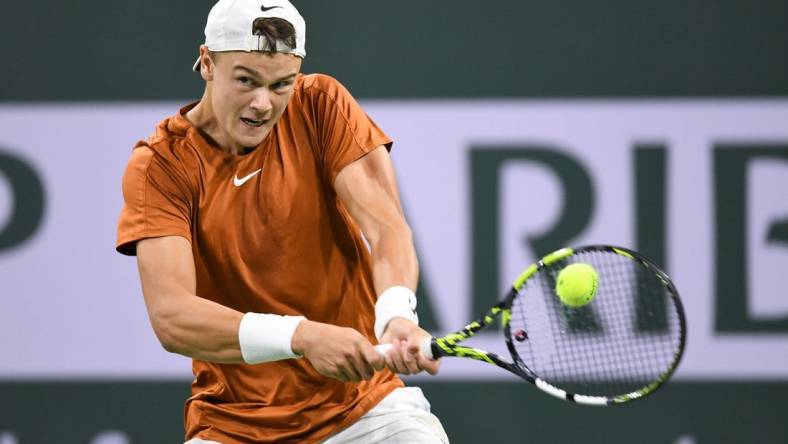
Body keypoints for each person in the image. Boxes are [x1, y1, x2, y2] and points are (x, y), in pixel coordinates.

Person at [115, 0, 449, 443]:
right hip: (234, 425)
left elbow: (386, 227)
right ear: (207, 62)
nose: (262, 103)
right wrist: (302, 336)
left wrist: (394, 314)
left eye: (281, 85)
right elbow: (173, 317)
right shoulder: (160, 166)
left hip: (366, 411)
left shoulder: (321, 104)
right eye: (246, 81)